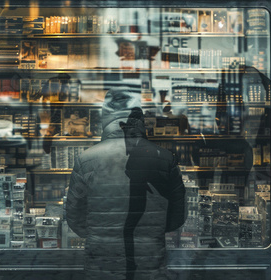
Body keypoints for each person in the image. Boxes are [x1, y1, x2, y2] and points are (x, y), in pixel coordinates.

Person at [66, 87, 187, 280]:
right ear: (139, 116)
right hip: (149, 263)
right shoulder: (164, 159)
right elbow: (177, 218)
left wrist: (100, 236)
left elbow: (74, 216)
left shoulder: (86, 160)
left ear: (105, 116)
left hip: (101, 264)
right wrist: (150, 234)